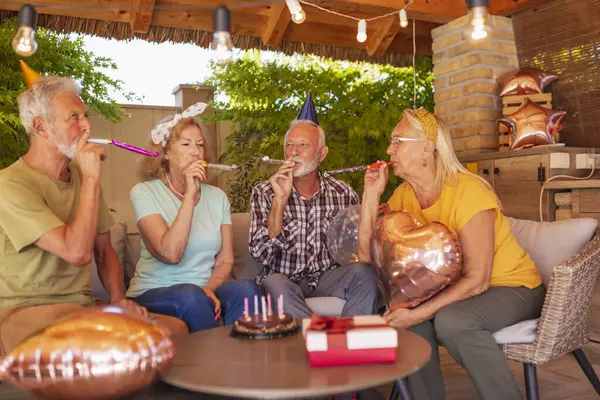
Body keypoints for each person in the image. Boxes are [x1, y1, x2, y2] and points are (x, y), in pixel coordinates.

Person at [357, 108, 545, 400]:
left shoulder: (468, 191)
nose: (388, 149)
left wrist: (419, 310)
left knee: (453, 322)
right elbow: (368, 258)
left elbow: (478, 279)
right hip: (458, 290)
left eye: (398, 141)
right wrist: (370, 197)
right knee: (407, 319)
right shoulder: (404, 196)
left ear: (426, 149)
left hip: (512, 287)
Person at [0, 74, 187, 357]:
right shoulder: (10, 184)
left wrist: (118, 300)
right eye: (73, 117)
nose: (86, 125)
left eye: (85, 115)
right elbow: (76, 253)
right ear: (40, 126)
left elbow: (103, 250)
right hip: (23, 310)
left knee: (173, 331)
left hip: (80, 308)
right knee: (110, 346)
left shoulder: (82, 176)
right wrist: (90, 178)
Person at [126, 103, 263, 332]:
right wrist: (190, 195)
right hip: (154, 292)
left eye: (200, 145)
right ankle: (212, 365)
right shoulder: (144, 193)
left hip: (202, 290)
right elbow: (171, 253)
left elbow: (225, 260)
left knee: (248, 291)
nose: (195, 152)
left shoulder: (217, 197)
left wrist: (209, 288)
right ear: (166, 153)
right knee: (191, 297)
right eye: (186, 144)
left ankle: (241, 363)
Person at [249, 95, 380, 318]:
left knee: (365, 273)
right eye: (289, 146)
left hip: (327, 278)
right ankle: (316, 340)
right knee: (275, 284)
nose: (294, 152)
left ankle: (355, 342)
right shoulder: (264, 192)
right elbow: (261, 255)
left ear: (322, 154)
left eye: (303, 145)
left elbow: (358, 249)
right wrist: (279, 201)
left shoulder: (342, 192)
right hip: (285, 280)